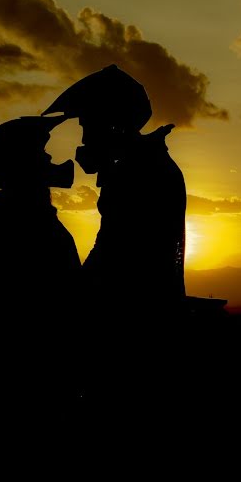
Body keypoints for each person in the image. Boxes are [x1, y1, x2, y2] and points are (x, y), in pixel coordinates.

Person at [42, 64, 186, 314]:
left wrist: (77, 292)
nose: (84, 140)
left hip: (133, 304)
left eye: (89, 126)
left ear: (113, 125)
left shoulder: (138, 171)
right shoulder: (140, 163)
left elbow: (114, 250)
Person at [0, 115, 81, 314]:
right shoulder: (29, 219)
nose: (49, 158)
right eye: (41, 152)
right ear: (23, 163)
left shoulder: (6, 211)